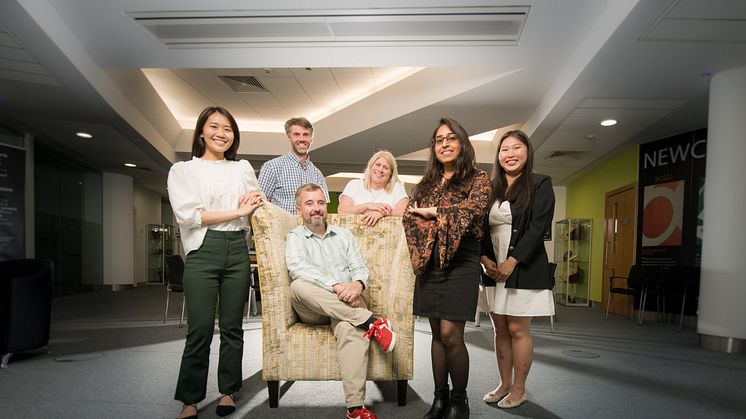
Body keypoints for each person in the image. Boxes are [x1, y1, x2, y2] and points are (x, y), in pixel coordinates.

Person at [167, 106, 264, 419]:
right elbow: (190, 216)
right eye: (215, 126)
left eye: (228, 129)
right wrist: (237, 211)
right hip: (202, 251)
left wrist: (246, 208)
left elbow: (256, 203)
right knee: (200, 329)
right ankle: (190, 399)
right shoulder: (183, 170)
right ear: (201, 132)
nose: (222, 133)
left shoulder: (242, 168)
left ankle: (228, 390)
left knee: (233, 327)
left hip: (237, 248)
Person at [402, 117, 491, 419]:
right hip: (431, 262)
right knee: (437, 334)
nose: (445, 144)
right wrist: (430, 216)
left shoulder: (478, 179)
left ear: (462, 143)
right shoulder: (423, 185)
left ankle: (460, 402)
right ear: (434, 148)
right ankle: (440, 400)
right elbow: (410, 217)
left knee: (453, 334)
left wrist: (435, 214)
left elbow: (474, 211)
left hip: (462, 259)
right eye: (439, 140)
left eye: (451, 138)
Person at [286, 183, 396, 419]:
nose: (316, 208)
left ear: (326, 206)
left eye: (320, 202)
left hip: (350, 303)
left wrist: (356, 286)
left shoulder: (344, 235)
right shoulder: (295, 237)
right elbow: (298, 268)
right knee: (297, 286)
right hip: (315, 306)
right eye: (309, 203)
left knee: (349, 327)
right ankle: (372, 321)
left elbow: (359, 267)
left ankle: (355, 409)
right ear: (299, 210)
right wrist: (335, 286)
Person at [478, 130, 555, 409]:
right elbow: (480, 227)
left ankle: (520, 388)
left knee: (517, 328)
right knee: (499, 328)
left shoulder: (540, 183)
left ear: (527, 151)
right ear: (498, 156)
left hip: (525, 265)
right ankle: (504, 383)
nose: (510, 154)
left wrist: (512, 261)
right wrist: (484, 256)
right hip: (492, 267)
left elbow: (538, 228)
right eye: (504, 149)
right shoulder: (489, 187)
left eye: (516, 148)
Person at [258, 117, 330, 214]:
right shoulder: (272, 167)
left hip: (310, 228)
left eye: (306, 135)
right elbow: (260, 204)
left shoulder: (317, 174)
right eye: (297, 134)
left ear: (311, 139)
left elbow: (323, 207)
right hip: (283, 228)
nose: (301, 139)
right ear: (289, 138)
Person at [338, 150, 409, 226]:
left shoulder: (397, 188)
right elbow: (342, 210)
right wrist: (368, 205)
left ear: (391, 173)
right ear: (370, 166)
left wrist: (382, 213)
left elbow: (406, 212)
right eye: (378, 164)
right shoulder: (354, 185)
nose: (380, 170)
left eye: (385, 167)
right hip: (352, 236)